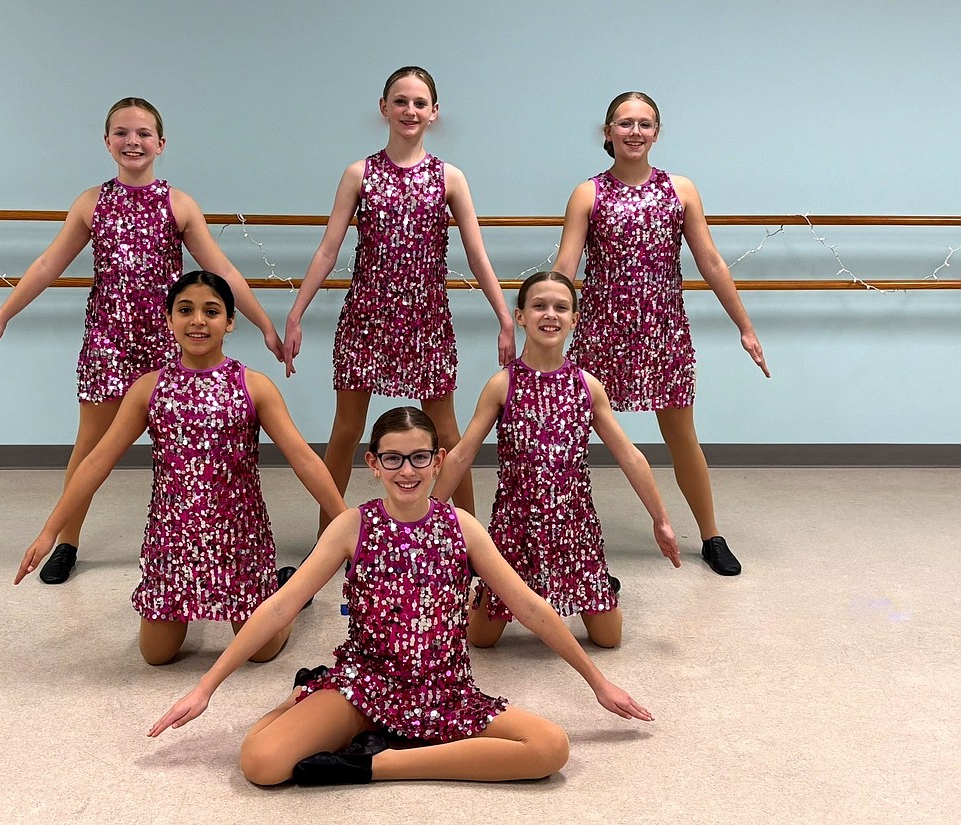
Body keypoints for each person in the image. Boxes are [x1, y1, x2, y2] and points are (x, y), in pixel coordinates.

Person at [149, 407, 656, 786]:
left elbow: (530, 607)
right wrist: (205, 687)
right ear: (373, 462)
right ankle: (316, 697)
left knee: (550, 748)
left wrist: (598, 682)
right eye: (393, 458)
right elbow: (281, 605)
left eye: (418, 457)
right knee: (260, 763)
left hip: (443, 691)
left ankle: (376, 762)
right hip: (365, 684)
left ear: (438, 461)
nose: (407, 470)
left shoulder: (464, 528)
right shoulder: (352, 526)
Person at [0, 97, 284, 585]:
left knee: (182, 448)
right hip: (109, 341)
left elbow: (221, 270)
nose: (132, 141)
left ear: (161, 144)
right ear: (107, 143)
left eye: (143, 133)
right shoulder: (91, 203)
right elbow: (46, 265)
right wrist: (3, 316)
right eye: (121, 133)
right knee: (90, 446)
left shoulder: (178, 205)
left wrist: (265, 323)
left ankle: (182, 538)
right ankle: (67, 540)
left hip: (169, 344)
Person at [15, 272, 343, 665]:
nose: (198, 321)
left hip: (240, 540)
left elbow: (304, 459)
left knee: (261, 652)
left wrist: (348, 527)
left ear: (230, 321)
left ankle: (290, 593)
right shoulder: (148, 389)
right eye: (185, 310)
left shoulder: (254, 387)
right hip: (172, 544)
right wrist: (50, 530)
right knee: (156, 655)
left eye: (212, 311)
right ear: (168, 319)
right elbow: (97, 461)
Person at [282, 66, 516, 537]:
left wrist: (505, 318)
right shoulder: (359, 173)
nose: (410, 110)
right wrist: (295, 312)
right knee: (347, 429)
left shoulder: (449, 177)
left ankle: (465, 539)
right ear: (384, 107)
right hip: (366, 318)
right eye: (401, 101)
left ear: (434, 112)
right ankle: (329, 540)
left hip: (426, 319)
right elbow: (329, 248)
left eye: (419, 103)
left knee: (447, 433)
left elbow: (476, 252)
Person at [554, 91, 770, 577]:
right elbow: (566, 267)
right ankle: (561, 537)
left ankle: (711, 534)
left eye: (644, 124)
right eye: (624, 123)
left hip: (663, 330)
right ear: (607, 132)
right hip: (602, 330)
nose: (634, 132)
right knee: (570, 434)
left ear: (657, 133)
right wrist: (542, 333)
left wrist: (745, 325)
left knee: (681, 436)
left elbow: (710, 261)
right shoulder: (587, 193)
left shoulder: (681, 189)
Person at [432, 271, 679, 649]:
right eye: (539, 306)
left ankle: (598, 582)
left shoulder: (587, 385)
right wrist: (428, 518)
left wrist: (661, 520)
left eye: (561, 307)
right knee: (480, 640)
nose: (550, 314)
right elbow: (463, 452)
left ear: (574, 319)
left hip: (575, 529)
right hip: (515, 528)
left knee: (608, 640)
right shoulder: (502, 384)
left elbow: (629, 456)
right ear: (521, 317)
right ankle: (480, 590)